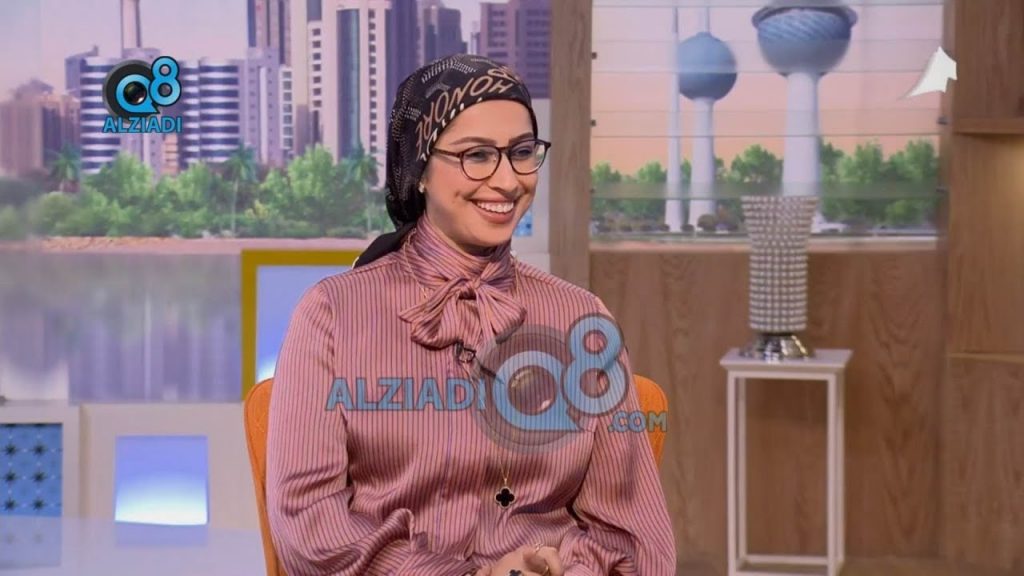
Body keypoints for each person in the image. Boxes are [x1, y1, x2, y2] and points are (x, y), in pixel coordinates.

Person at [265, 53, 677, 576]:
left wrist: (563, 570)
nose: (507, 180)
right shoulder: (332, 314)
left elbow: (634, 537)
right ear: (419, 170)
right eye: (476, 155)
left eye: (521, 152)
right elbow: (309, 528)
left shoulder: (581, 318)